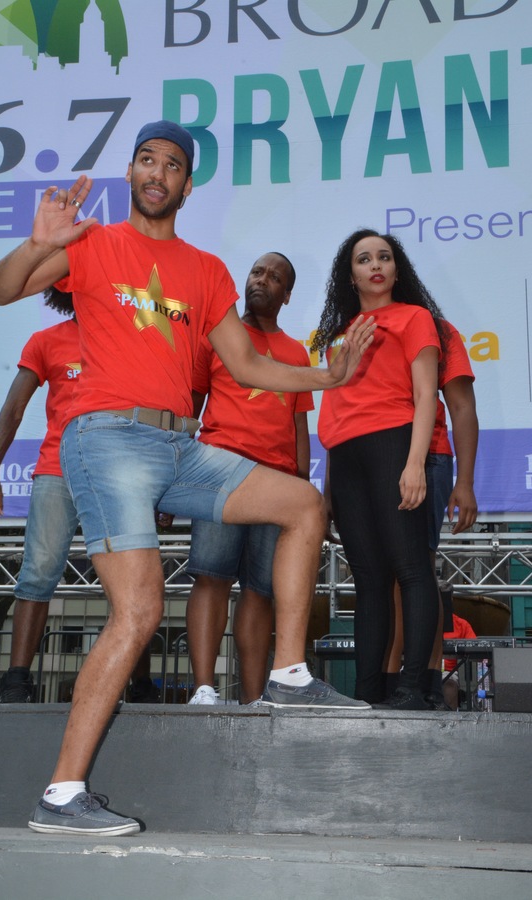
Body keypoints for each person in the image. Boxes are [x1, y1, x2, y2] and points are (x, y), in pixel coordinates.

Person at [0, 120, 376, 836]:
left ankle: (288, 674)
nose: (157, 172)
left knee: (301, 502)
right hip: (105, 439)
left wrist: (327, 373)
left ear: (186, 185)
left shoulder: (205, 271)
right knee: (136, 612)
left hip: (179, 445)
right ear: (131, 174)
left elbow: (249, 366)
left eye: (171, 164)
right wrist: (41, 242)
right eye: (146, 160)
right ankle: (62, 794)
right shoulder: (92, 244)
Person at [313, 228, 446, 710]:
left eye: (384, 257)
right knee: (367, 580)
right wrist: (327, 494)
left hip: (394, 442)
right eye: (364, 259)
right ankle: (367, 693)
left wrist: (413, 464)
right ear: (349, 275)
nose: (375, 265)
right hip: (345, 458)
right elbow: (333, 414)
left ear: (396, 268)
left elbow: (427, 394)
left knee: (411, 568)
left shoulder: (415, 319)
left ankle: (412, 687)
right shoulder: (340, 336)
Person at [186, 252, 313, 707]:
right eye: (258, 271)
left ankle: (255, 699)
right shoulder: (218, 336)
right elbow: (191, 405)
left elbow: (299, 429)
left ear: (287, 294)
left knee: (260, 592)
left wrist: (304, 492)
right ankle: (203, 689)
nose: (263, 279)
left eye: (275, 276)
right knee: (211, 578)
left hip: (277, 487)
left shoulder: (298, 353)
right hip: (218, 471)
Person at [0, 289, 80, 703]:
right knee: (37, 573)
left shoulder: (131, 337)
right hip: (57, 470)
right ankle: (16, 680)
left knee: (128, 580)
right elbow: (14, 407)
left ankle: (140, 681)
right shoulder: (47, 340)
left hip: (115, 473)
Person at [383, 319, 479, 708]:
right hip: (375, 460)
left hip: (430, 458)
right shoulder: (361, 326)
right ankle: (388, 683)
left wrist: (466, 481)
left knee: (418, 569)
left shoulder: (438, 328)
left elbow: (461, 404)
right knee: (382, 574)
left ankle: (429, 680)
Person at [442, 613, 477, 710]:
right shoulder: (420, 618)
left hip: (448, 672)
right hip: (421, 669)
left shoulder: (461, 624)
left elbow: (476, 649)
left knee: (449, 687)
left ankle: (450, 721)